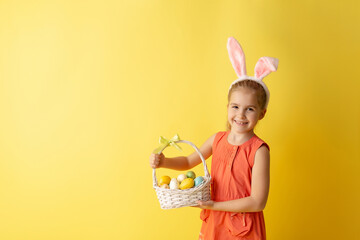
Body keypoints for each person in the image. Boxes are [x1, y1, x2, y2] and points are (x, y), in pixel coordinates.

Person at [149, 37, 278, 240]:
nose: (241, 115)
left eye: (250, 109)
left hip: (243, 228)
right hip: (215, 222)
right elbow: (189, 161)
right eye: (235, 107)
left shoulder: (259, 150)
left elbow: (257, 202)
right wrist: (164, 162)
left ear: (262, 113)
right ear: (228, 108)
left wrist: (216, 205)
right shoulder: (217, 140)